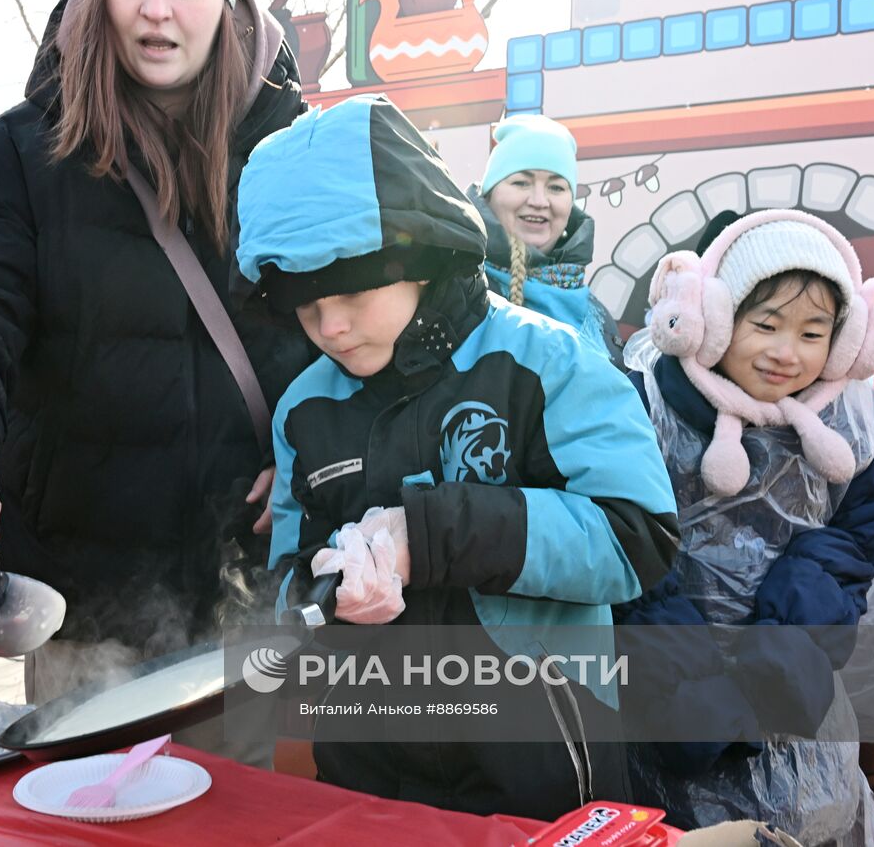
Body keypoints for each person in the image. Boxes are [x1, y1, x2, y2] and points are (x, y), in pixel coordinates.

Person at [0, 0, 312, 710]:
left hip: (260, 598)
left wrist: (318, 448)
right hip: (80, 614)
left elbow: (364, 327)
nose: (156, 9)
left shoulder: (297, 155)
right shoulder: (20, 153)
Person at [235, 94, 681, 818]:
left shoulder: (548, 362)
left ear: (420, 248)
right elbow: (287, 575)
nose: (332, 327)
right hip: (365, 773)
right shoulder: (302, 410)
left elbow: (639, 537)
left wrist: (429, 535)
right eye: (305, 306)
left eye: (350, 293)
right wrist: (323, 590)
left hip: (540, 769)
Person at [618, 209, 874, 842]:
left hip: (800, 711)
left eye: (813, 333)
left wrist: (790, 635)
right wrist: (687, 680)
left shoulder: (844, 422)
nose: (787, 353)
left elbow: (862, 533)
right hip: (667, 716)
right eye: (765, 324)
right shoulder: (641, 408)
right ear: (713, 319)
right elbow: (624, 550)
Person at [465, 114, 625, 366]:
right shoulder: (459, 290)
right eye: (521, 182)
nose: (539, 201)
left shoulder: (596, 315)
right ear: (488, 195)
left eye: (556, 187)